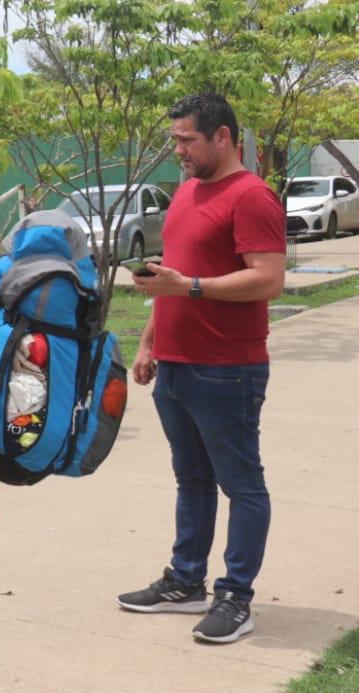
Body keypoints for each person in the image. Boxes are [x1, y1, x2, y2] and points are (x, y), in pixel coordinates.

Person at [121, 93, 285, 644]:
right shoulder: (187, 192)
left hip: (227, 369)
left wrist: (189, 287)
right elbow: (175, 276)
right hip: (176, 364)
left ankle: (235, 597)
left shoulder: (253, 196)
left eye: (187, 139)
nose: (179, 150)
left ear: (223, 136)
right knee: (191, 479)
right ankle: (184, 583)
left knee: (242, 483)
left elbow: (268, 278)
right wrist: (149, 341)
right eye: (175, 140)